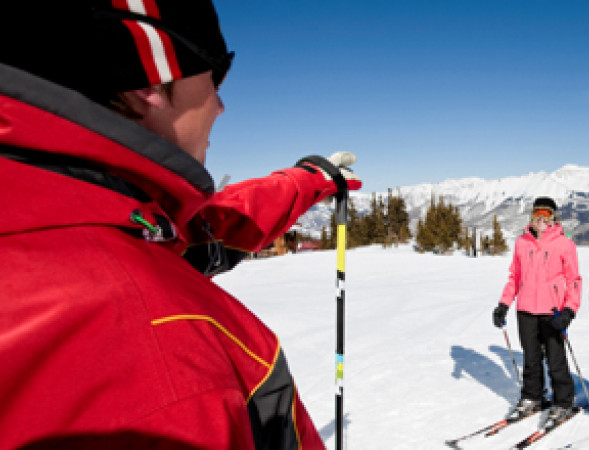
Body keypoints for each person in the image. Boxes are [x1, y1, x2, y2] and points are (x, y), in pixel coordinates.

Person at [0, 2, 361, 448]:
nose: (222, 108)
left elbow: (209, 228)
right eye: (213, 83)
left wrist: (306, 180)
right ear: (147, 83)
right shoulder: (168, 348)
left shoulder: (69, 210)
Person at [493, 197, 582, 425]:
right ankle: (532, 396)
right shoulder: (522, 242)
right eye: (537, 214)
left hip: (552, 311)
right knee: (531, 359)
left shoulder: (564, 244)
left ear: (554, 217)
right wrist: (504, 304)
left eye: (547, 214)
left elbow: (574, 280)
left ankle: (563, 401)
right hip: (525, 310)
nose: (541, 219)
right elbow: (514, 277)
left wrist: (569, 311)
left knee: (555, 359)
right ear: (531, 215)